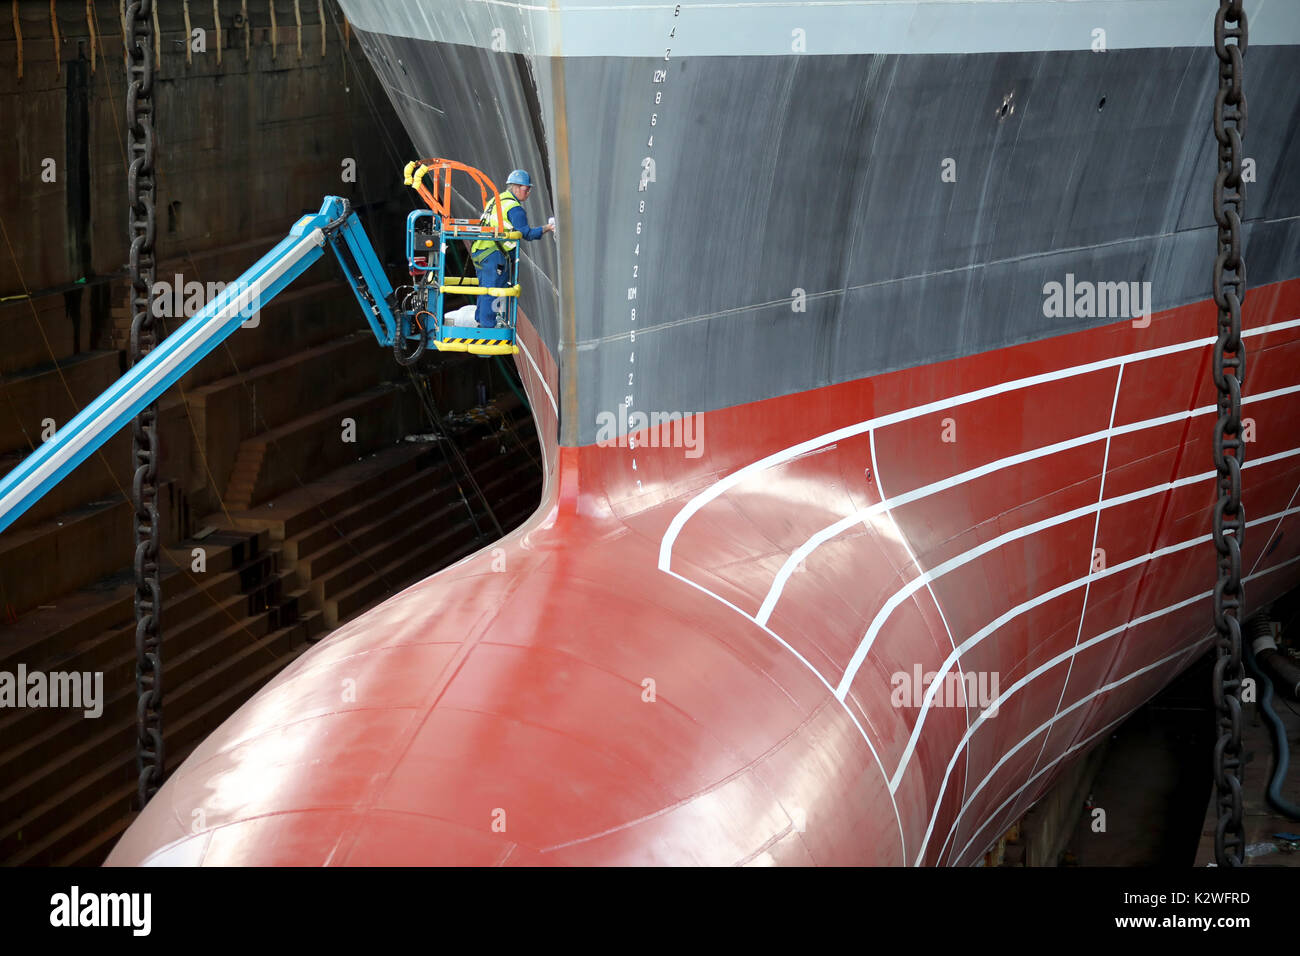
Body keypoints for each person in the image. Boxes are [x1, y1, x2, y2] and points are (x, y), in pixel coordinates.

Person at [469, 169, 554, 327]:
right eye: (526, 189)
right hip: (494, 254)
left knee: (484, 288)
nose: (528, 193)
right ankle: (487, 328)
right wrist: (548, 228)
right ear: (515, 188)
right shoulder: (515, 208)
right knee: (493, 289)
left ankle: (481, 321)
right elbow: (527, 234)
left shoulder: (496, 200)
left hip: (479, 250)